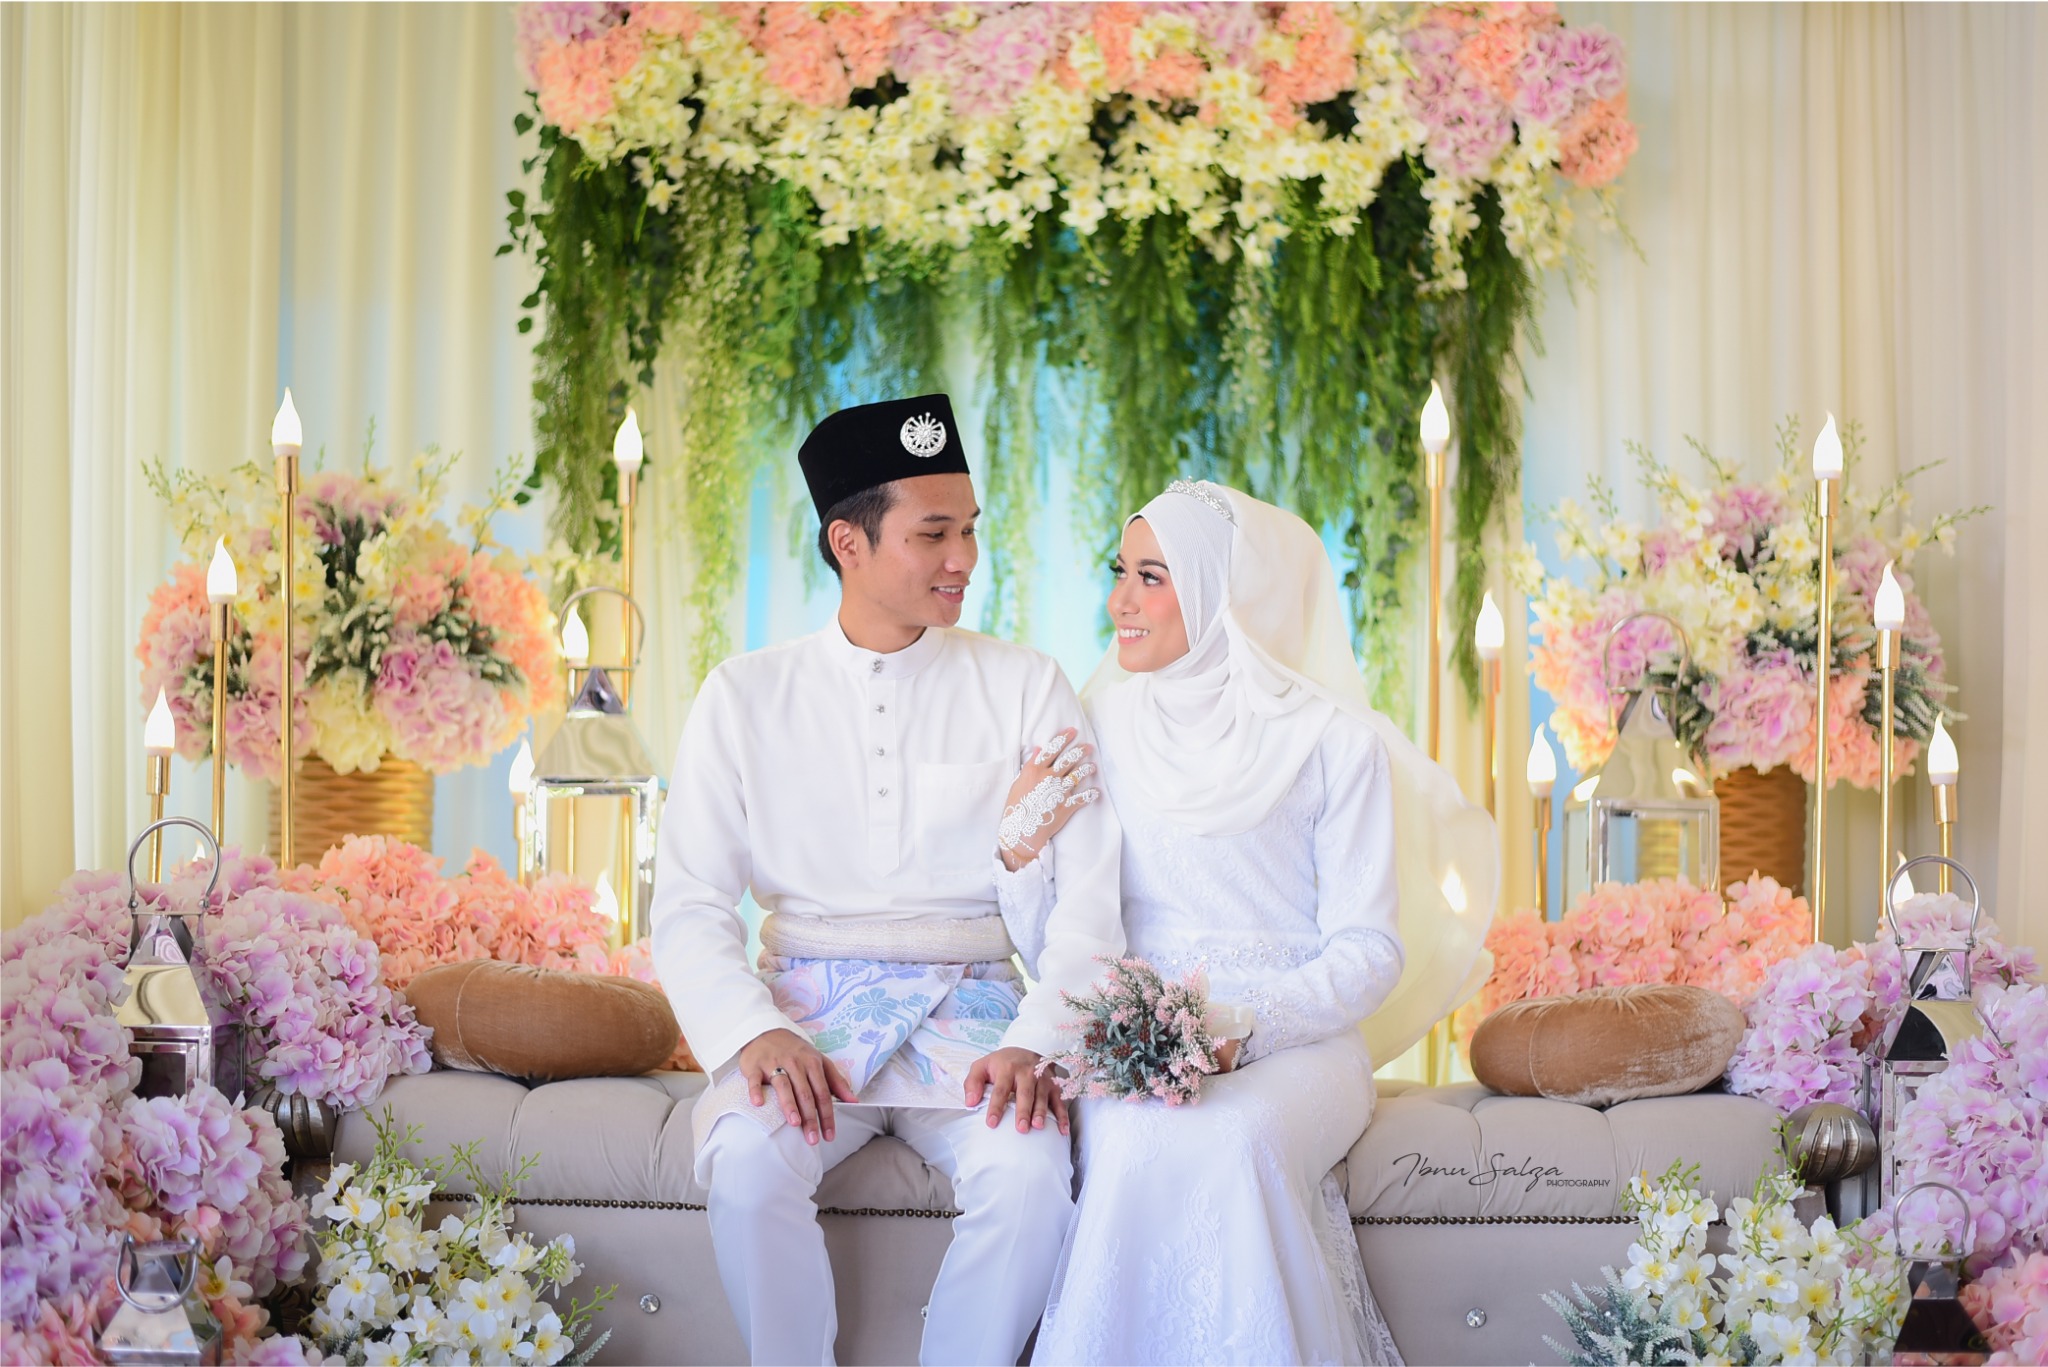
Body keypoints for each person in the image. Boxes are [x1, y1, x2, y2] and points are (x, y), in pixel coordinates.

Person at [649, 394, 1126, 1367]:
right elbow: (690, 901)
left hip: (980, 1015)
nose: (964, 558)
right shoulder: (743, 695)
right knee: (745, 1161)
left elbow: (1089, 896)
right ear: (848, 542)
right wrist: (752, 1030)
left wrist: (1037, 1037)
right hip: (805, 1016)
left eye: (970, 530)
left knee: (1030, 1177)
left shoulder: (1026, 683)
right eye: (933, 533)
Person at [1018, 479, 1497, 1366]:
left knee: (1239, 1136)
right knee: (1128, 1147)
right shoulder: (1102, 727)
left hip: (1299, 1040)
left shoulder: (1333, 742)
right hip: (1142, 1040)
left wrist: (1243, 1025)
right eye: (1120, 572)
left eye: (1152, 577)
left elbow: (1370, 950)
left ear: (1221, 591)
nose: (1120, 602)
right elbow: (1060, 925)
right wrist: (1018, 850)